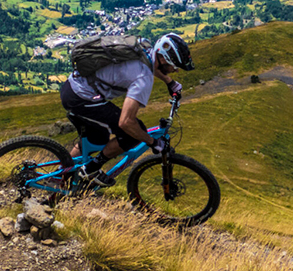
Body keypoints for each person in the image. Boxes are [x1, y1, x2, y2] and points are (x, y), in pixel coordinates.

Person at [60, 33, 193, 187]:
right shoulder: (143, 80)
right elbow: (125, 122)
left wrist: (170, 82)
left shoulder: (145, 47)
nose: (175, 70)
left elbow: (152, 66)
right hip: (82, 98)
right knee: (133, 133)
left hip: (74, 87)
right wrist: (153, 142)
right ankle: (91, 169)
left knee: (98, 138)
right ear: (163, 59)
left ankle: (62, 174)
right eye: (174, 66)